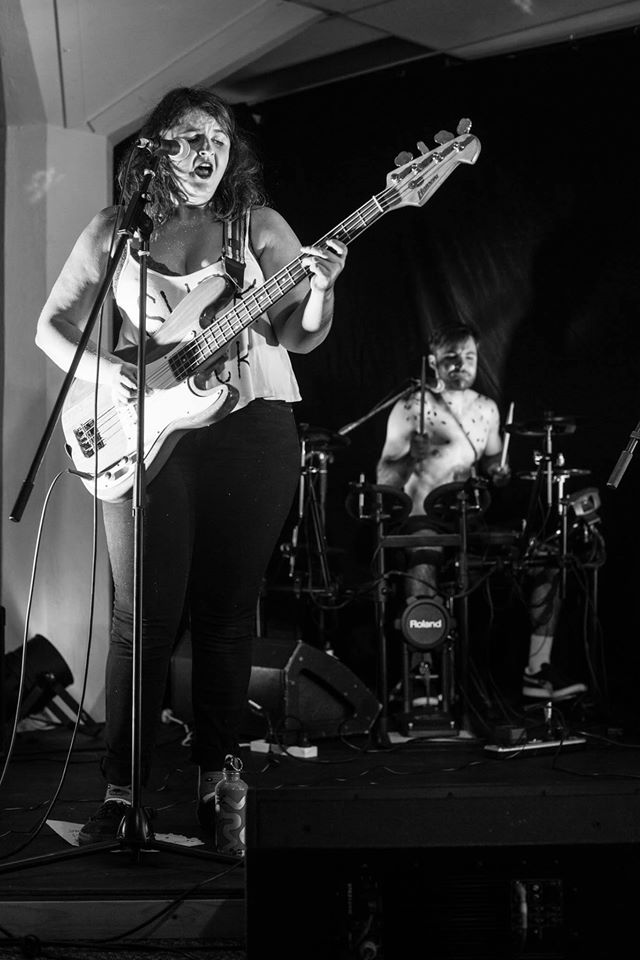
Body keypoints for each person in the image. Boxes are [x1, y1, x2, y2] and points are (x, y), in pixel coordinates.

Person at [35, 86, 347, 844]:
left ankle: (218, 783)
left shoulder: (258, 226)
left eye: (219, 138)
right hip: (144, 432)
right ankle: (122, 795)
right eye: (190, 137)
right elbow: (54, 326)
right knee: (140, 616)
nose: (208, 151)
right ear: (156, 148)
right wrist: (115, 372)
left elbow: (299, 334)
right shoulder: (117, 229)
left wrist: (321, 290)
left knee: (226, 614)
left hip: (251, 427)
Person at [376, 321, 587, 702]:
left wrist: (497, 470)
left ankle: (538, 670)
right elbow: (384, 477)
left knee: (544, 559)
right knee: (424, 556)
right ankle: (423, 674)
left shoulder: (487, 408)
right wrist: (410, 458)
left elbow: (491, 459)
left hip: (469, 518)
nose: (461, 364)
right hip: (423, 518)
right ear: (433, 362)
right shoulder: (411, 407)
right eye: (452, 357)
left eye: (469, 356)